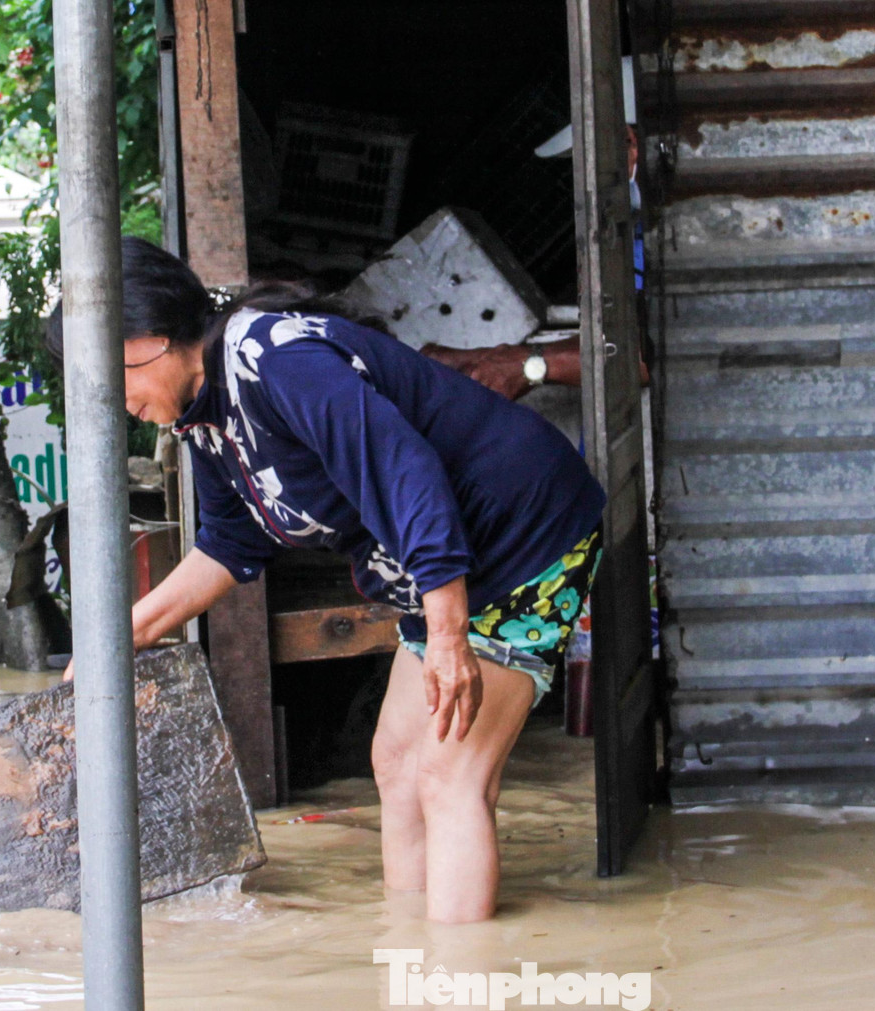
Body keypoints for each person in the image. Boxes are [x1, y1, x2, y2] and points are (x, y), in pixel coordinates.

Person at [45, 238, 605, 923]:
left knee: (448, 775)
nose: (107, 397)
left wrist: (450, 633)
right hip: (447, 561)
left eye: (105, 372)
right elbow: (229, 542)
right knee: (398, 762)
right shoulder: (205, 416)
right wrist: (121, 635)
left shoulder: (275, 357)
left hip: (522, 535)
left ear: (150, 339)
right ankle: (409, 958)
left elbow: (403, 469)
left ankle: (460, 976)